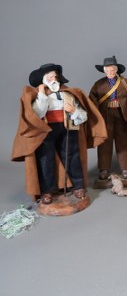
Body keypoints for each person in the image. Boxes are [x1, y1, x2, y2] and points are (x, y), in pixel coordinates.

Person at [12, 63, 106, 204]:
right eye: (50, 77)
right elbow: (36, 114)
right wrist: (42, 95)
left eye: (55, 76)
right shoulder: (38, 95)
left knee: (72, 156)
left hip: (68, 128)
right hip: (46, 130)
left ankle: (78, 186)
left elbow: (83, 116)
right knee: (46, 159)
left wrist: (73, 111)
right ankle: (47, 190)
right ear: (43, 80)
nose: (54, 79)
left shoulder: (68, 94)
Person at [89, 56, 127, 182]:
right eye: (107, 71)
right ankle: (104, 169)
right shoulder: (98, 85)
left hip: (121, 115)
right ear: (104, 71)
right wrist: (93, 115)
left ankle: (126, 168)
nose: (110, 73)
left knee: (123, 141)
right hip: (105, 115)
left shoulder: (126, 83)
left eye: (112, 70)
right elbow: (92, 100)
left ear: (116, 70)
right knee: (104, 142)